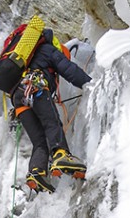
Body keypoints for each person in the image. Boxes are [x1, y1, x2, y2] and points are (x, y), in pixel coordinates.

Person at [11, 28, 92, 194]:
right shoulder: (48, 50)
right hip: (35, 86)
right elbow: (69, 70)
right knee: (52, 123)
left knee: (39, 141)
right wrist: (91, 84)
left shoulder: (26, 58)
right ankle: (61, 155)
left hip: (18, 98)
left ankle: (37, 171)